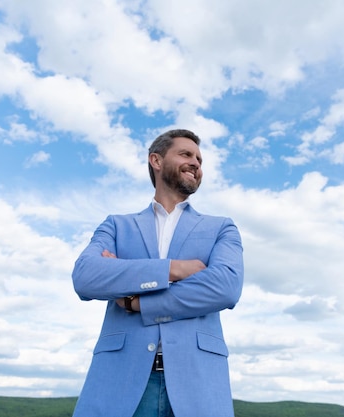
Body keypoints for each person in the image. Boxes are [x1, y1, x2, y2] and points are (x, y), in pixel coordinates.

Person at [71, 129, 244, 417]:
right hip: (120, 381)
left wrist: (138, 301)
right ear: (156, 160)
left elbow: (225, 287)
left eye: (200, 159)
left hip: (198, 384)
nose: (196, 163)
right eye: (186, 154)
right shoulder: (116, 225)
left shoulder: (222, 227)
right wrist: (174, 268)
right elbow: (86, 277)